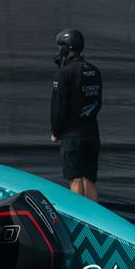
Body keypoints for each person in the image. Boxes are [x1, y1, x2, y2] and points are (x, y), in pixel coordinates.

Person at [50, 29, 102, 202]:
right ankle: (97, 221)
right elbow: (98, 102)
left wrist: (55, 131)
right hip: (92, 132)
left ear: (67, 48)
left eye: (61, 47)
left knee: (76, 179)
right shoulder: (94, 71)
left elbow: (58, 106)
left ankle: (78, 221)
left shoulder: (64, 73)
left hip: (72, 135)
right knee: (89, 178)